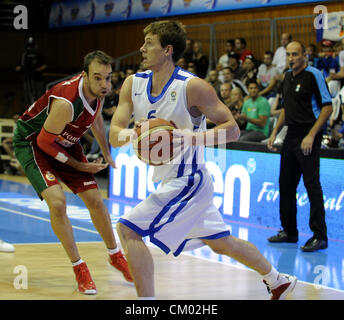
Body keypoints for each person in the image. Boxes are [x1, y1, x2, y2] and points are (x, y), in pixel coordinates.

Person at [109, 20, 297, 300]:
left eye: (149, 43)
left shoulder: (192, 86)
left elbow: (231, 129)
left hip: (189, 180)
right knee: (222, 243)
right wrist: (135, 135)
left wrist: (190, 137)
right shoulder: (132, 84)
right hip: (168, 180)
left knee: (127, 229)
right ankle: (277, 279)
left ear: (167, 50)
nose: (141, 48)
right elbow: (113, 135)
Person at [12, 50, 132, 295]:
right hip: (34, 143)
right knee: (57, 203)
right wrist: (79, 166)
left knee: (96, 200)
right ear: (84, 75)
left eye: (108, 78)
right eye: (98, 78)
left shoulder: (98, 94)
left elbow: (95, 118)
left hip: (62, 142)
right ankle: (79, 267)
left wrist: (107, 152)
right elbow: (45, 143)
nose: (104, 84)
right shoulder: (66, 102)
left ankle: (115, 255)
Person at [267, 41, 333, 252]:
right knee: (285, 184)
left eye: (295, 54)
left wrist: (311, 135)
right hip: (291, 136)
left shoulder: (314, 75)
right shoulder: (287, 76)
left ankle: (319, 236)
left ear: (305, 54)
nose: (291, 58)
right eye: (288, 54)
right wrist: (275, 132)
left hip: (309, 135)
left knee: (312, 186)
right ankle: (289, 231)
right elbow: (286, 108)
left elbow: (328, 107)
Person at [15, 36, 47, 107]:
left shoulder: (38, 54)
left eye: (31, 45)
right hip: (27, 79)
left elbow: (45, 65)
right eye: (28, 45)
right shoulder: (24, 55)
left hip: (38, 79)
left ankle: (39, 110)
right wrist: (22, 68)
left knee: (39, 96)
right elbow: (18, 67)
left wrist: (37, 70)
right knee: (27, 96)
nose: (30, 47)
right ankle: (28, 111)